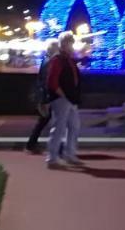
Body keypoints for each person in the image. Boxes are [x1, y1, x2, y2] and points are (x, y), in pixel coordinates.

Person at [45, 31, 83, 169]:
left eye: (72, 42)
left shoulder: (69, 59)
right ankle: (52, 158)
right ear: (64, 44)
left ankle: (70, 154)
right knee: (59, 128)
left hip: (71, 99)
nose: (72, 44)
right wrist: (63, 95)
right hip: (62, 99)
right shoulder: (57, 60)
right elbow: (52, 82)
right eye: (70, 42)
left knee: (74, 126)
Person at [27, 41, 60, 154]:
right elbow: (48, 81)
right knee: (52, 121)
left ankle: (31, 144)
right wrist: (47, 99)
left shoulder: (46, 60)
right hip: (48, 96)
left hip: (45, 96)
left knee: (44, 121)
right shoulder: (51, 62)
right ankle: (56, 147)